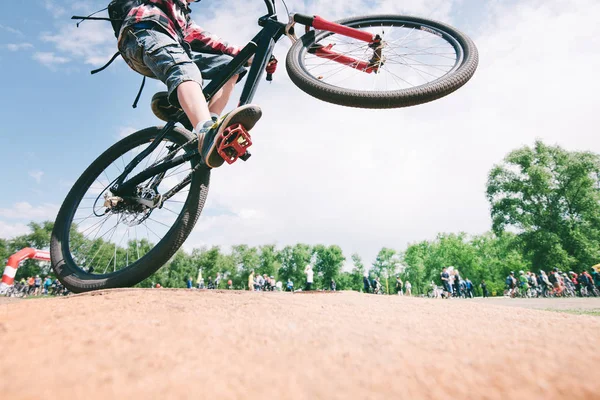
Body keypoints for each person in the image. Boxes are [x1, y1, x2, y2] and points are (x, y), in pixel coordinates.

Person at [118, 0, 263, 169]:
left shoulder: (183, 17)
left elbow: (204, 38)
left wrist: (245, 54)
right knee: (185, 70)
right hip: (144, 32)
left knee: (230, 67)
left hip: (171, 43)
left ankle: (211, 123)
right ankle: (205, 130)